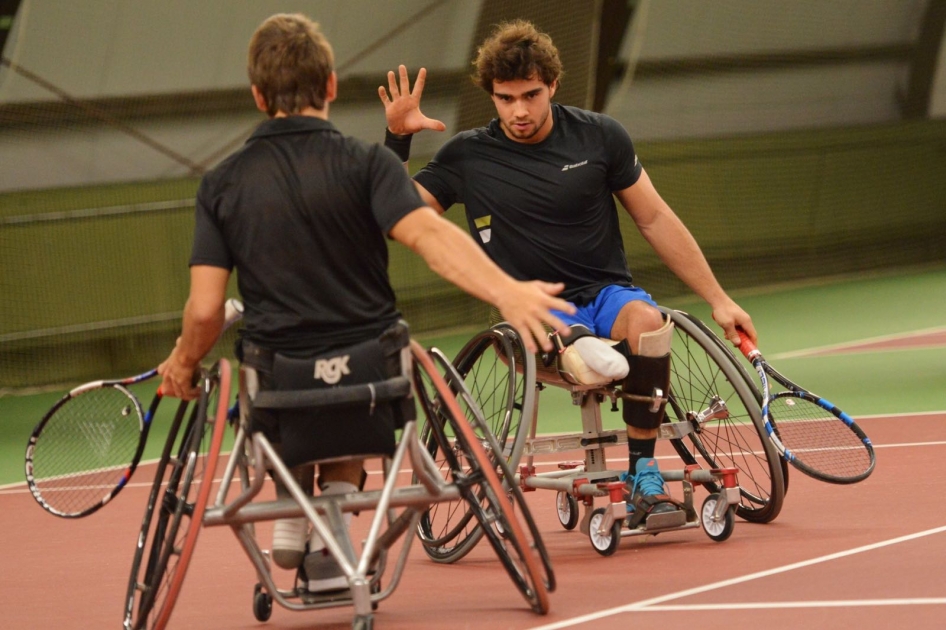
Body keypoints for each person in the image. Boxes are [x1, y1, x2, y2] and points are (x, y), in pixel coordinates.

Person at [158, 13, 574, 594]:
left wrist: (181, 364)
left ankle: (295, 507)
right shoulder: (369, 164)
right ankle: (334, 503)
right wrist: (505, 289)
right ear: (330, 86)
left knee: (283, 386)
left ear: (257, 95)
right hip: (372, 380)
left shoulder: (222, 184)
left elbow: (205, 313)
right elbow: (431, 238)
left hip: (280, 383)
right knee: (357, 381)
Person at [378, 19, 758, 524]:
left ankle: (642, 473)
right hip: (532, 310)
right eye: (505, 97)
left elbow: (655, 217)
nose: (519, 110)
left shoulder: (600, 137)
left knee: (648, 324)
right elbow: (394, 219)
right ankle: (584, 350)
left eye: (531, 95)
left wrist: (718, 298)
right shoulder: (466, 156)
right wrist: (396, 142)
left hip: (606, 295)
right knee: (582, 352)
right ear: (491, 95)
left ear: (553, 86)